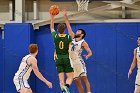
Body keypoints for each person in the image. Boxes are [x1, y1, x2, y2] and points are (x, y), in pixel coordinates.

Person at [63, 10, 92, 93]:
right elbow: (68, 26)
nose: (76, 32)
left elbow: (90, 52)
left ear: (82, 34)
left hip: (78, 62)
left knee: (84, 79)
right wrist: (65, 16)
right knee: (77, 82)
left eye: (78, 31)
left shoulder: (83, 42)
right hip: (71, 62)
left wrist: (88, 55)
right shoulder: (72, 38)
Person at [50, 13, 74, 93]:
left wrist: (52, 17)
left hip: (58, 59)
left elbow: (52, 28)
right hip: (67, 58)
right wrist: (66, 18)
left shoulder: (56, 37)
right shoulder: (68, 37)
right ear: (64, 30)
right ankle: (66, 87)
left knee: (61, 80)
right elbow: (72, 34)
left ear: (58, 30)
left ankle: (63, 90)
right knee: (70, 76)